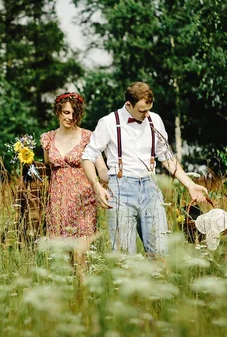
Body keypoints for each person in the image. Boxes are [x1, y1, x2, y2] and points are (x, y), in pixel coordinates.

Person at [81, 82, 208, 256]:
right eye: (142, 111)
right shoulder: (108, 122)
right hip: (120, 190)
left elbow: (166, 157)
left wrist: (190, 184)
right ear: (128, 105)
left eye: (149, 109)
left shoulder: (155, 120)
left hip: (150, 188)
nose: (146, 114)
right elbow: (88, 156)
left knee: (160, 251)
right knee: (124, 255)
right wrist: (97, 187)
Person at [40, 92, 109, 277]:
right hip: (58, 203)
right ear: (58, 111)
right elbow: (47, 166)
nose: (69, 117)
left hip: (84, 202)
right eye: (65, 112)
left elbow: (101, 167)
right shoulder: (47, 139)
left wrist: (112, 178)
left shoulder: (88, 137)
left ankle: (83, 295)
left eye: (73, 113)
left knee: (80, 255)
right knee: (62, 258)